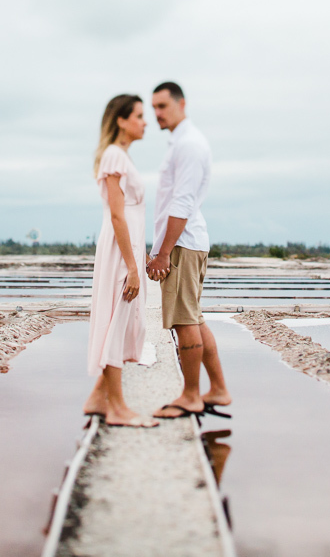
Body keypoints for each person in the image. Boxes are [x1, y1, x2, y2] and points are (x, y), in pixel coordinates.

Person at [146, 82, 232, 419]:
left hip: (183, 242)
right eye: (153, 108)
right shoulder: (182, 143)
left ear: (182, 103)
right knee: (193, 318)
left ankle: (192, 395)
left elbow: (181, 202)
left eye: (162, 106)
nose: (157, 114)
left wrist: (164, 252)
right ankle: (219, 390)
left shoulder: (190, 145)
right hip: (186, 241)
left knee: (184, 322)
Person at [83, 94, 158, 428]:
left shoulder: (122, 157)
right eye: (140, 115)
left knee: (127, 319)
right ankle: (117, 407)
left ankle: (98, 399)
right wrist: (131, 266)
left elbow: (128, 214)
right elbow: (117, 215)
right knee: (118, 318)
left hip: (127, 250)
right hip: (118, 251)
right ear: (121, 120)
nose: (146, 122)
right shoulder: (114, 155)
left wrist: (139, 257)